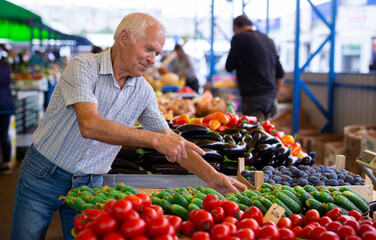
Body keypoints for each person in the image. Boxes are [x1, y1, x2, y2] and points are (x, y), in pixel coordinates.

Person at [11, 13, 247, 240]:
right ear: (124, 38)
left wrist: (212, 176)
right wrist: (154, 140)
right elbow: (90, 125)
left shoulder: (143, 91)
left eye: (157, 53)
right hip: (44, 173)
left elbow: (169, 139)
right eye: (149, 49)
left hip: (90, 183)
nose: (153, 60)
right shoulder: (83, 67)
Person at [225, 14, 285, 121]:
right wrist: (275, 97)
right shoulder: (268, 40)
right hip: (271, 98)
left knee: (254, 135)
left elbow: (229, 66)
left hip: (253, 98)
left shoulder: (239, 38)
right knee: (266, 133)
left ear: (235, 27)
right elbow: (280, 74)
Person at [0, 46, 16, 175]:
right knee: (4, 134)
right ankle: (6, 162)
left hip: (3, 103)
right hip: (6, 103)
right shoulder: (6, 65)